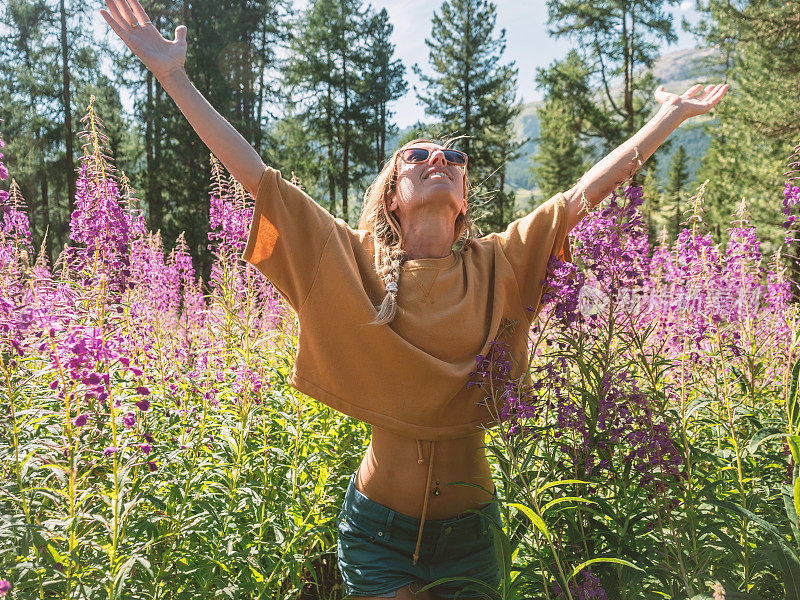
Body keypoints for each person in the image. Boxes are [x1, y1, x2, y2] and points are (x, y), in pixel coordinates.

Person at [100, 2, 729, 598]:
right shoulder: (347, 261)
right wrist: (175, 79)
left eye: (453, 158)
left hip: (471, 535)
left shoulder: (500, 263)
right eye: (417, 156)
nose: (440, 160)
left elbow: (582, 194)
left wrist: (667, 116)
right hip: (379, 529)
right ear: (393, 196)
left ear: (462, 200)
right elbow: (257, 178)